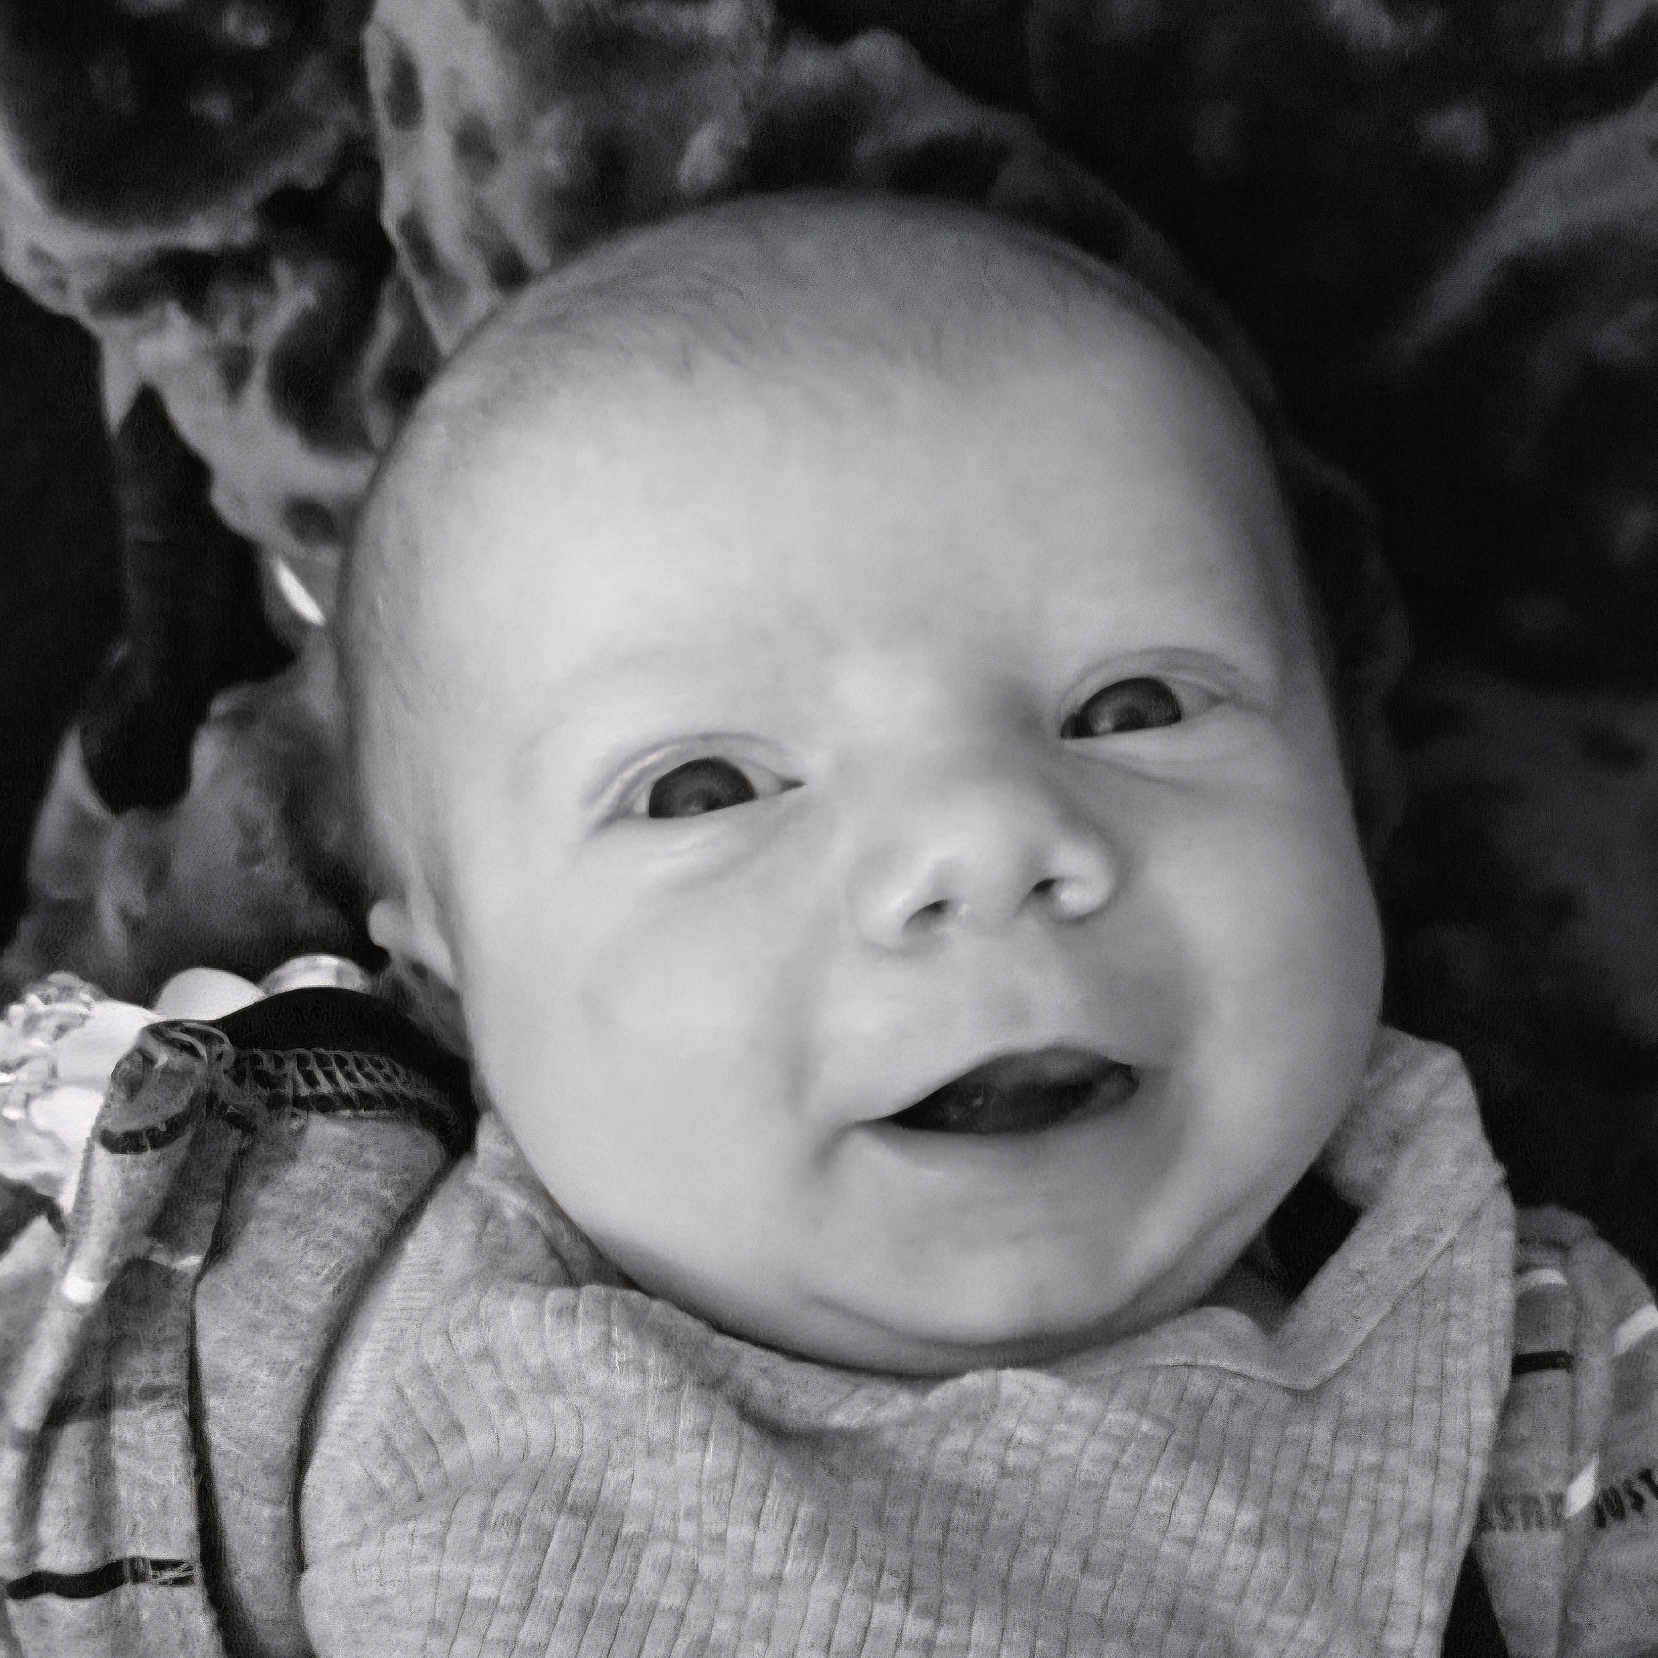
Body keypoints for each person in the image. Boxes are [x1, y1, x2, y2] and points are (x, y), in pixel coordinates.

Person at [4, 190, 1655, 1658]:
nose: (987, 837)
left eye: (1132, 703)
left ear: (1342, 792)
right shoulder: (263, 1293)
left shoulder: (1542, 1392)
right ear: (448, 987)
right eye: (706, 785)